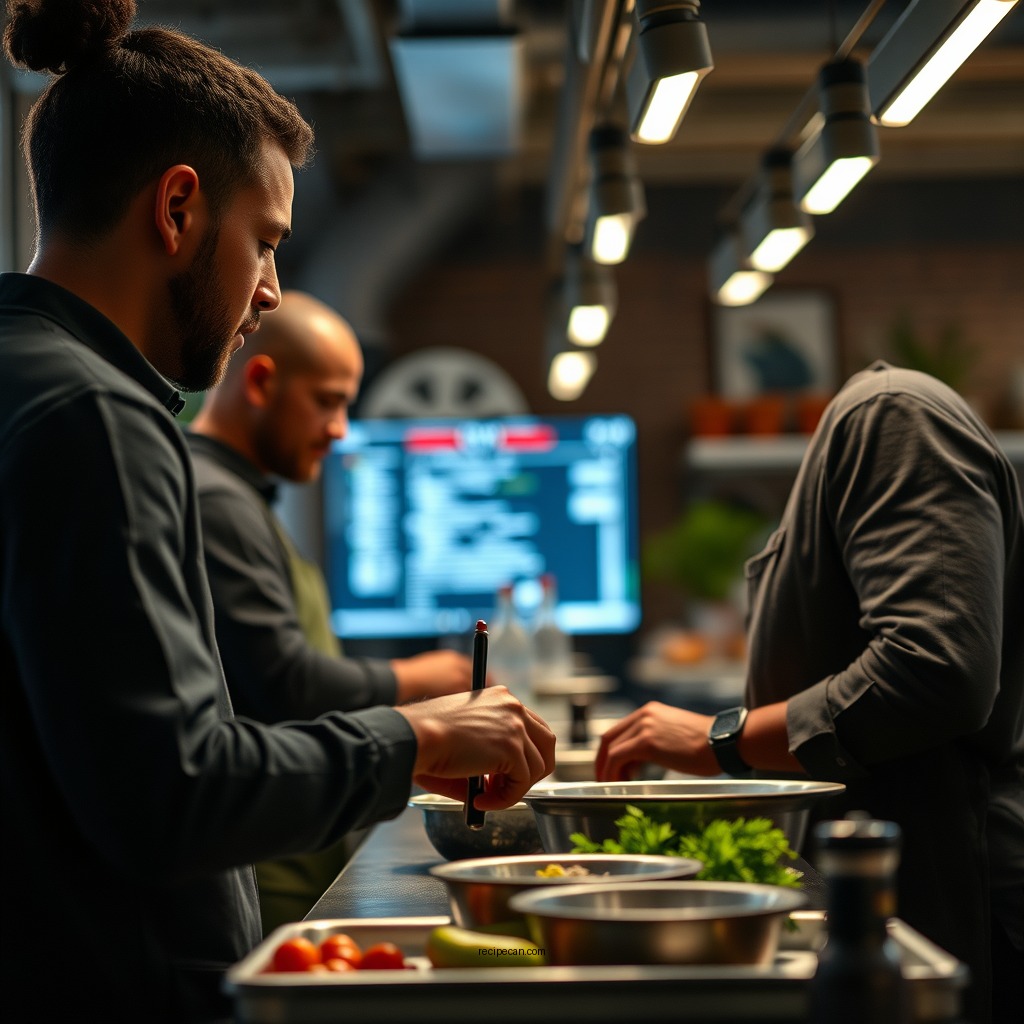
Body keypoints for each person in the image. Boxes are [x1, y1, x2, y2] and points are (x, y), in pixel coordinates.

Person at [0, 4, 554, 1022]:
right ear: (178, 208)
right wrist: (416, 738)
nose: (269, 292)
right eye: (264, 243)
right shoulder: (98, 420)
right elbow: (174, 792)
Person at [597, 361, 1024, 1024]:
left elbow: (935, 668)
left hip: (953, 911)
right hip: (888, 902)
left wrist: (721, 741)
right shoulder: (868, 425)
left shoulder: (893, 415)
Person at [186, 289, 485, 930]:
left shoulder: (239, 498)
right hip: (269, 875)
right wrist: (424, 680)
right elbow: (285, 683)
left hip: (294, 857)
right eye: (328, 401)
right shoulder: (217, 502)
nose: (341, 429)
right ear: (260, 382)